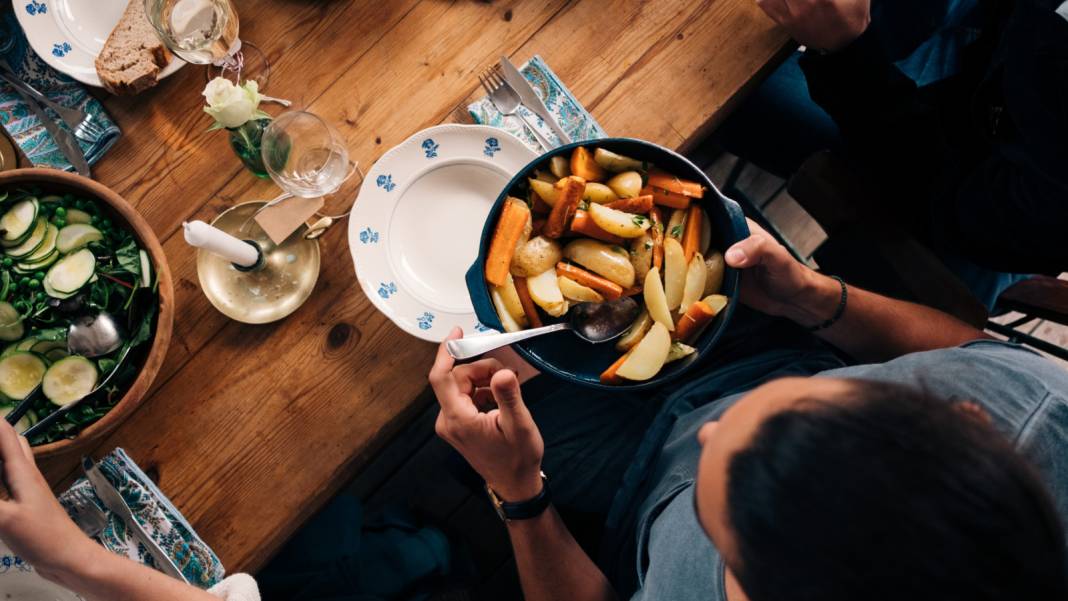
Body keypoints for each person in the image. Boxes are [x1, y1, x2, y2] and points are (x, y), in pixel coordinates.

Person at [427, 219, 1068, 600]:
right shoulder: (1042, 410)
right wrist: (815, 300)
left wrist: (518, 491)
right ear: (963, 415)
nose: (709, 428)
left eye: (720, 510)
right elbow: (965, 349)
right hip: (784, 336)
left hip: (630, 481)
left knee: (447, 451)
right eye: (801, 411)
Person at [717, 0, 1068, 306]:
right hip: (1004, 44)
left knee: (720, 73)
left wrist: (847, 51)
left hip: (937, 178)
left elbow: (939, 197)